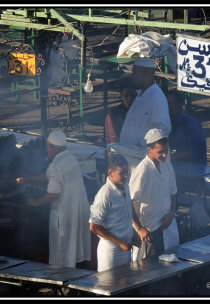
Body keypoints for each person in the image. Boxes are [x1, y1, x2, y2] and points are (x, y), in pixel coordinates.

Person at [17, 130, 91, 268]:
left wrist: (35, 202)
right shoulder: (70, 158)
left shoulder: (56, 166)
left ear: (51, 147)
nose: (46, 149)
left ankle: (61, 277)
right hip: (79, 210)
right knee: (75, 246)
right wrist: (29, 178)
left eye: (47, 146)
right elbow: (48, 174)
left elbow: (53, 194)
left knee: (62, 249)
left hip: (64, 214)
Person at [129, 128, 178, 257]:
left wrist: (172, 212)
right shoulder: (142, 170)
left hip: (168, 226)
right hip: (150, 232)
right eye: (160, 152)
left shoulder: (167, 164)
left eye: (166, 151)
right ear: (149, 149)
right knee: (150, 270)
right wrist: (139, 229)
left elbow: (173, 192)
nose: (164, 155)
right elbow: (130, 201)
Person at [89, 152, 140, 272]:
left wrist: (134, 233)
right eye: (121, 173)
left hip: (126, 249)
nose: (126, 176)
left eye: (127, 172)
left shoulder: (125, 185)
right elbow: (94, 226)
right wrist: (119, 242)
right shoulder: (105, 194)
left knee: (126, 286)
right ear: (110, 173)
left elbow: (127, 213)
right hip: (111, 253)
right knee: (110, 287)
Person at [119, 58, 171, 147]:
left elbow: (162, 129)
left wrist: (143, 145)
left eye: (135, 73)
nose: (132, 76)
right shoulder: (140, 95)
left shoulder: (156, 97)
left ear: (146, 74)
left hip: (142, 154)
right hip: (129, 152)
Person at [166, 89, 207, 194]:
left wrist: (175, 155)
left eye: (170, 104)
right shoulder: (165, 123)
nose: (168, 107)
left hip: (192, 176)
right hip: (172, 174)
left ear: (180, 105)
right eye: (166, 104)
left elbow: (197, 152)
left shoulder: (192, 124)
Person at [105, 77, 137, 144]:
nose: (129, 100)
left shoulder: (142, 113)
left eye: (133, 96)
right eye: (126, 96)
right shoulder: (113, 114)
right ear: (121, 96)